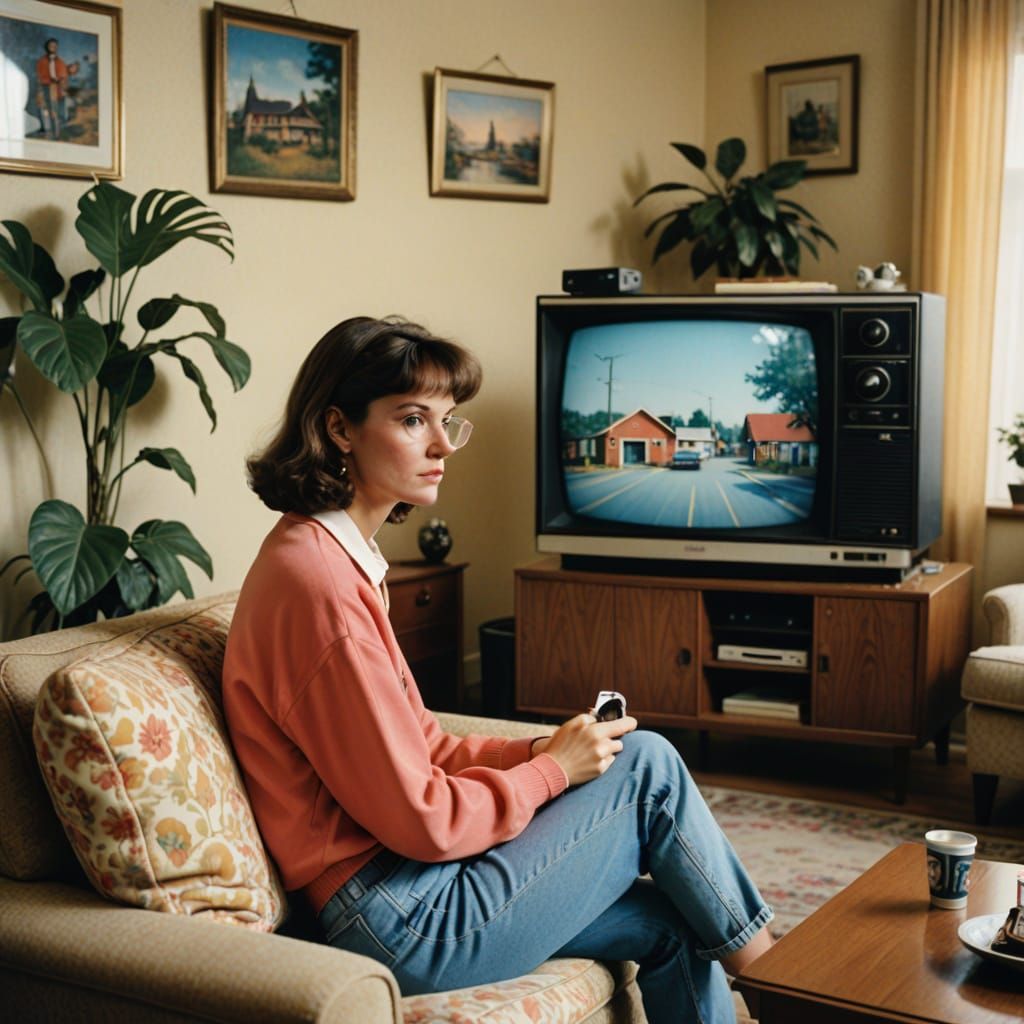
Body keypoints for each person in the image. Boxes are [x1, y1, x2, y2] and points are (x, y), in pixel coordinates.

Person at [223, 316, 774, 1024]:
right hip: (398, 920)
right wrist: (552, 775)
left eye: (449, 420)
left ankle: (776, 985)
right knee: (649, 769)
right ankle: (787, 993)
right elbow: (425, 819)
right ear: (338, 428)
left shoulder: (330, 560)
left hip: (406, 890)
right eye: (413, 419)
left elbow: (424, 744)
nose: (443, 444)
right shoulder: (319, 585)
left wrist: (538, 750)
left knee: (674, 922)